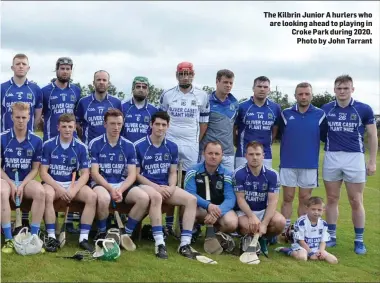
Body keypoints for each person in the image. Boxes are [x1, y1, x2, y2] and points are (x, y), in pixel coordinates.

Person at [89, 109, 164, 257]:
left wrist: (121, 190)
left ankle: (126, 234)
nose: (116, 127)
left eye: (119, 124)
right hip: (102, 184)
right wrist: (111, 189)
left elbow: (131, 175)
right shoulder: (95, 143)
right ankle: (102, 232)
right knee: (103, 199)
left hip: (122, 184)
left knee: (143, 198)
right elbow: (95, 173)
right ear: (105, 124)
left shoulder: (129, 145)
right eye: (112, 124)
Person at [134, 111, 206, 260]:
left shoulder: (172, 147)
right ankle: (159, 243)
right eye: (157, 124)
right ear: (151, 125)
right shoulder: (139, 145)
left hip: (166, 187)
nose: (160, 128)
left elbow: (173, 172)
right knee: (156, 197)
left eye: (164, 125)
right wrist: (156, 187)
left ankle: (184, 244)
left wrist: (172, 187)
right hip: (145, 186)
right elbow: (137, 175)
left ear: (168, 126)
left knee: (191, 200)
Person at [321, 75, 378, 254]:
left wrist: (372, 161)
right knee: (331, 199)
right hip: (332, 156)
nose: (342, 91)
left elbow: (372, 136)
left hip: (355, 158)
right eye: (339, 88)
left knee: (356, 200)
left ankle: (359, 240)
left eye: (346, 88)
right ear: (334, 90)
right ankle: (331, 236)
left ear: (352, 89)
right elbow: (322, 134)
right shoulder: (326, 109)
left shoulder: (364, 109)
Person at [159, 62, 210, 236]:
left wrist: (195, 141)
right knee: (169, 182)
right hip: (170, 142)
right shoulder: (167, 95)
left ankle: (182, 225)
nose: (185, 77)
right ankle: (166, 224)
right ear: (177, 75)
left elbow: (204, 123)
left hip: (190, 144)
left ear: (193, 75)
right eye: (182, 74)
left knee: (187, 184)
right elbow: (162, 119)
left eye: (188, 73)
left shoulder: (202, 96)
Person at [40, 113, 97, 252]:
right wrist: (58, 189)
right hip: (52, 183)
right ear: (58, 127)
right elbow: (43, 173)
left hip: (72, 184)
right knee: (46, 195)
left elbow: (85, 174)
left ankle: (83, 238)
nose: (67, 129)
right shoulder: (48, 145)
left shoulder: (81, 147)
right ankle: (52, 236)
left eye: (70, 126)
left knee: (92, 197)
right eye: (64, 126)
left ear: (74, 128)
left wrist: (74, 190)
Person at [279, 82, 327, 237]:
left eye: (307, 94)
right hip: (288, 163)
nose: (304, 97)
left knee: (304, 199)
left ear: (311, 95)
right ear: (295, 96)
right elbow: (278, 134)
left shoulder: (320, 114)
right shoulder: (285, 113)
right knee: (288, 198)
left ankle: (300, 230)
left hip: (309, 164)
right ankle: (285, 230)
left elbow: (325, 137)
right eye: (300, 94)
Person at [41, 57, 82, 232]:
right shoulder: (45, 91)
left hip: (71, 142)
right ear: (56, 70)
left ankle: (70, 220)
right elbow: (39, 116)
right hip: (52, 141)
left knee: (72, 178)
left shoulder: (76, 91)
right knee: (53, 181)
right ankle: (53, 222)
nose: (65, 71)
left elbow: (77, 118)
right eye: (62, 68)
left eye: (68, 68)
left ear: (71, 71)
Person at [1, 102, 45, 253]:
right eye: (17, 117)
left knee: (40, 192)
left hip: (26, 181)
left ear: (29, 118)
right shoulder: (2, 138)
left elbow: (35, 169)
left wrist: (21, 185)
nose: (20, 120)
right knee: (2, 192)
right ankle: (8, 239)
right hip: (6, 179)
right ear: (12, 117)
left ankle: (34, 236)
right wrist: (12, 185)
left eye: (24, 117)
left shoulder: (36, 140)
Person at [233, 141, 285, 255]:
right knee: (248, 227)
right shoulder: (239, 173)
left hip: (263, 210)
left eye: (257, 154)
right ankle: (249, 239)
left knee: (280, 222)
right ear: (246, 155)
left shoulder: (273, 175)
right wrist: (251, 216)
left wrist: (265, 223)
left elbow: (273, 201)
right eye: (251, 154)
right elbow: (240, 199)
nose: (254, 157)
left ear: (263, 156)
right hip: (245, 212)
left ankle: (264, 239)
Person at [185, 140, 238, 248]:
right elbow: (190, 193)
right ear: (203, 154)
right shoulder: (193, 170)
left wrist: (216, 212)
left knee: (232, 223)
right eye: (210, 153)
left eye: (217, 154)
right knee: (186, 208)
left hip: (219, 209)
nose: (213, 156)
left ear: (222, 156)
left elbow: (230, 199)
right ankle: (193, 231)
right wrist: (208, 206)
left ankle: (216, 234)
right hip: (201, 208)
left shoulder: (227, 174)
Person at [234, 76, 281, 169]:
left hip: (266, 154)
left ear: (269, 90)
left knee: (263, 182)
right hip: (243, 154)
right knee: (241, 181)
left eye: (265, 87)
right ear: (253, 88)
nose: (262, 89)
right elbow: (234, 129)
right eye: (259, 86)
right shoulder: (242, 106)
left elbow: (275, 129)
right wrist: (237, 144)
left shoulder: (275, 108)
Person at [275, 197, 338, 264]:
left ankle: (315, 253)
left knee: (333, 261)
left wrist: (321, 251)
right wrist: (310, 253)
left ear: (323, 210)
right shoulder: (301, 222)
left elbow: (323, 241)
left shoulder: (323, 223)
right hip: (301, 246)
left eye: (319, 210)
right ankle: (287, 250)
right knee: (303, 258)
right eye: (313, 209)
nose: (316, 212)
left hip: (316, 247)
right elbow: (301, 241)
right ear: (307, 209)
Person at [199, 70, 239, 172]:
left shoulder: (235, 104)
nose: (228, 85)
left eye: (231, 83)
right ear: (217, 81)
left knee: (227, 185)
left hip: (228, 154)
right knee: (203, 184)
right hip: (207, 152)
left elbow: (234, 128)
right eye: (225, 82)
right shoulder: (206, 100)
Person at [75, 70, 122, 145]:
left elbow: (120, 125)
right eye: (98, 80)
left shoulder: (116, 102)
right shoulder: (83, 102)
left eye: (104, 80)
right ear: (93, 83)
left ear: (108, 83)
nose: (101, 82)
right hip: (89, 147)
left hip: (110, 147)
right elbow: (77, 125)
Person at [1, 53, 43, 132]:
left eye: (24, 64)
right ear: (12, 68)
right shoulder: (2, 88)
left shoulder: (36, 89)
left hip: (28, 138)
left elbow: (37, 116)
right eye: (17, 64)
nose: (21, 66)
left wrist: (30, 130)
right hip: (5, 138)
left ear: (28, 68)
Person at [122, 76, 158, 143]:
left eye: (144, 87)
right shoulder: (122, 107)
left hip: (145, 150)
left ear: (148, 90)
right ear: (133, 89)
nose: (141, 89)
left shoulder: (154, 110)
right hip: (126, 150)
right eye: (138, 87)